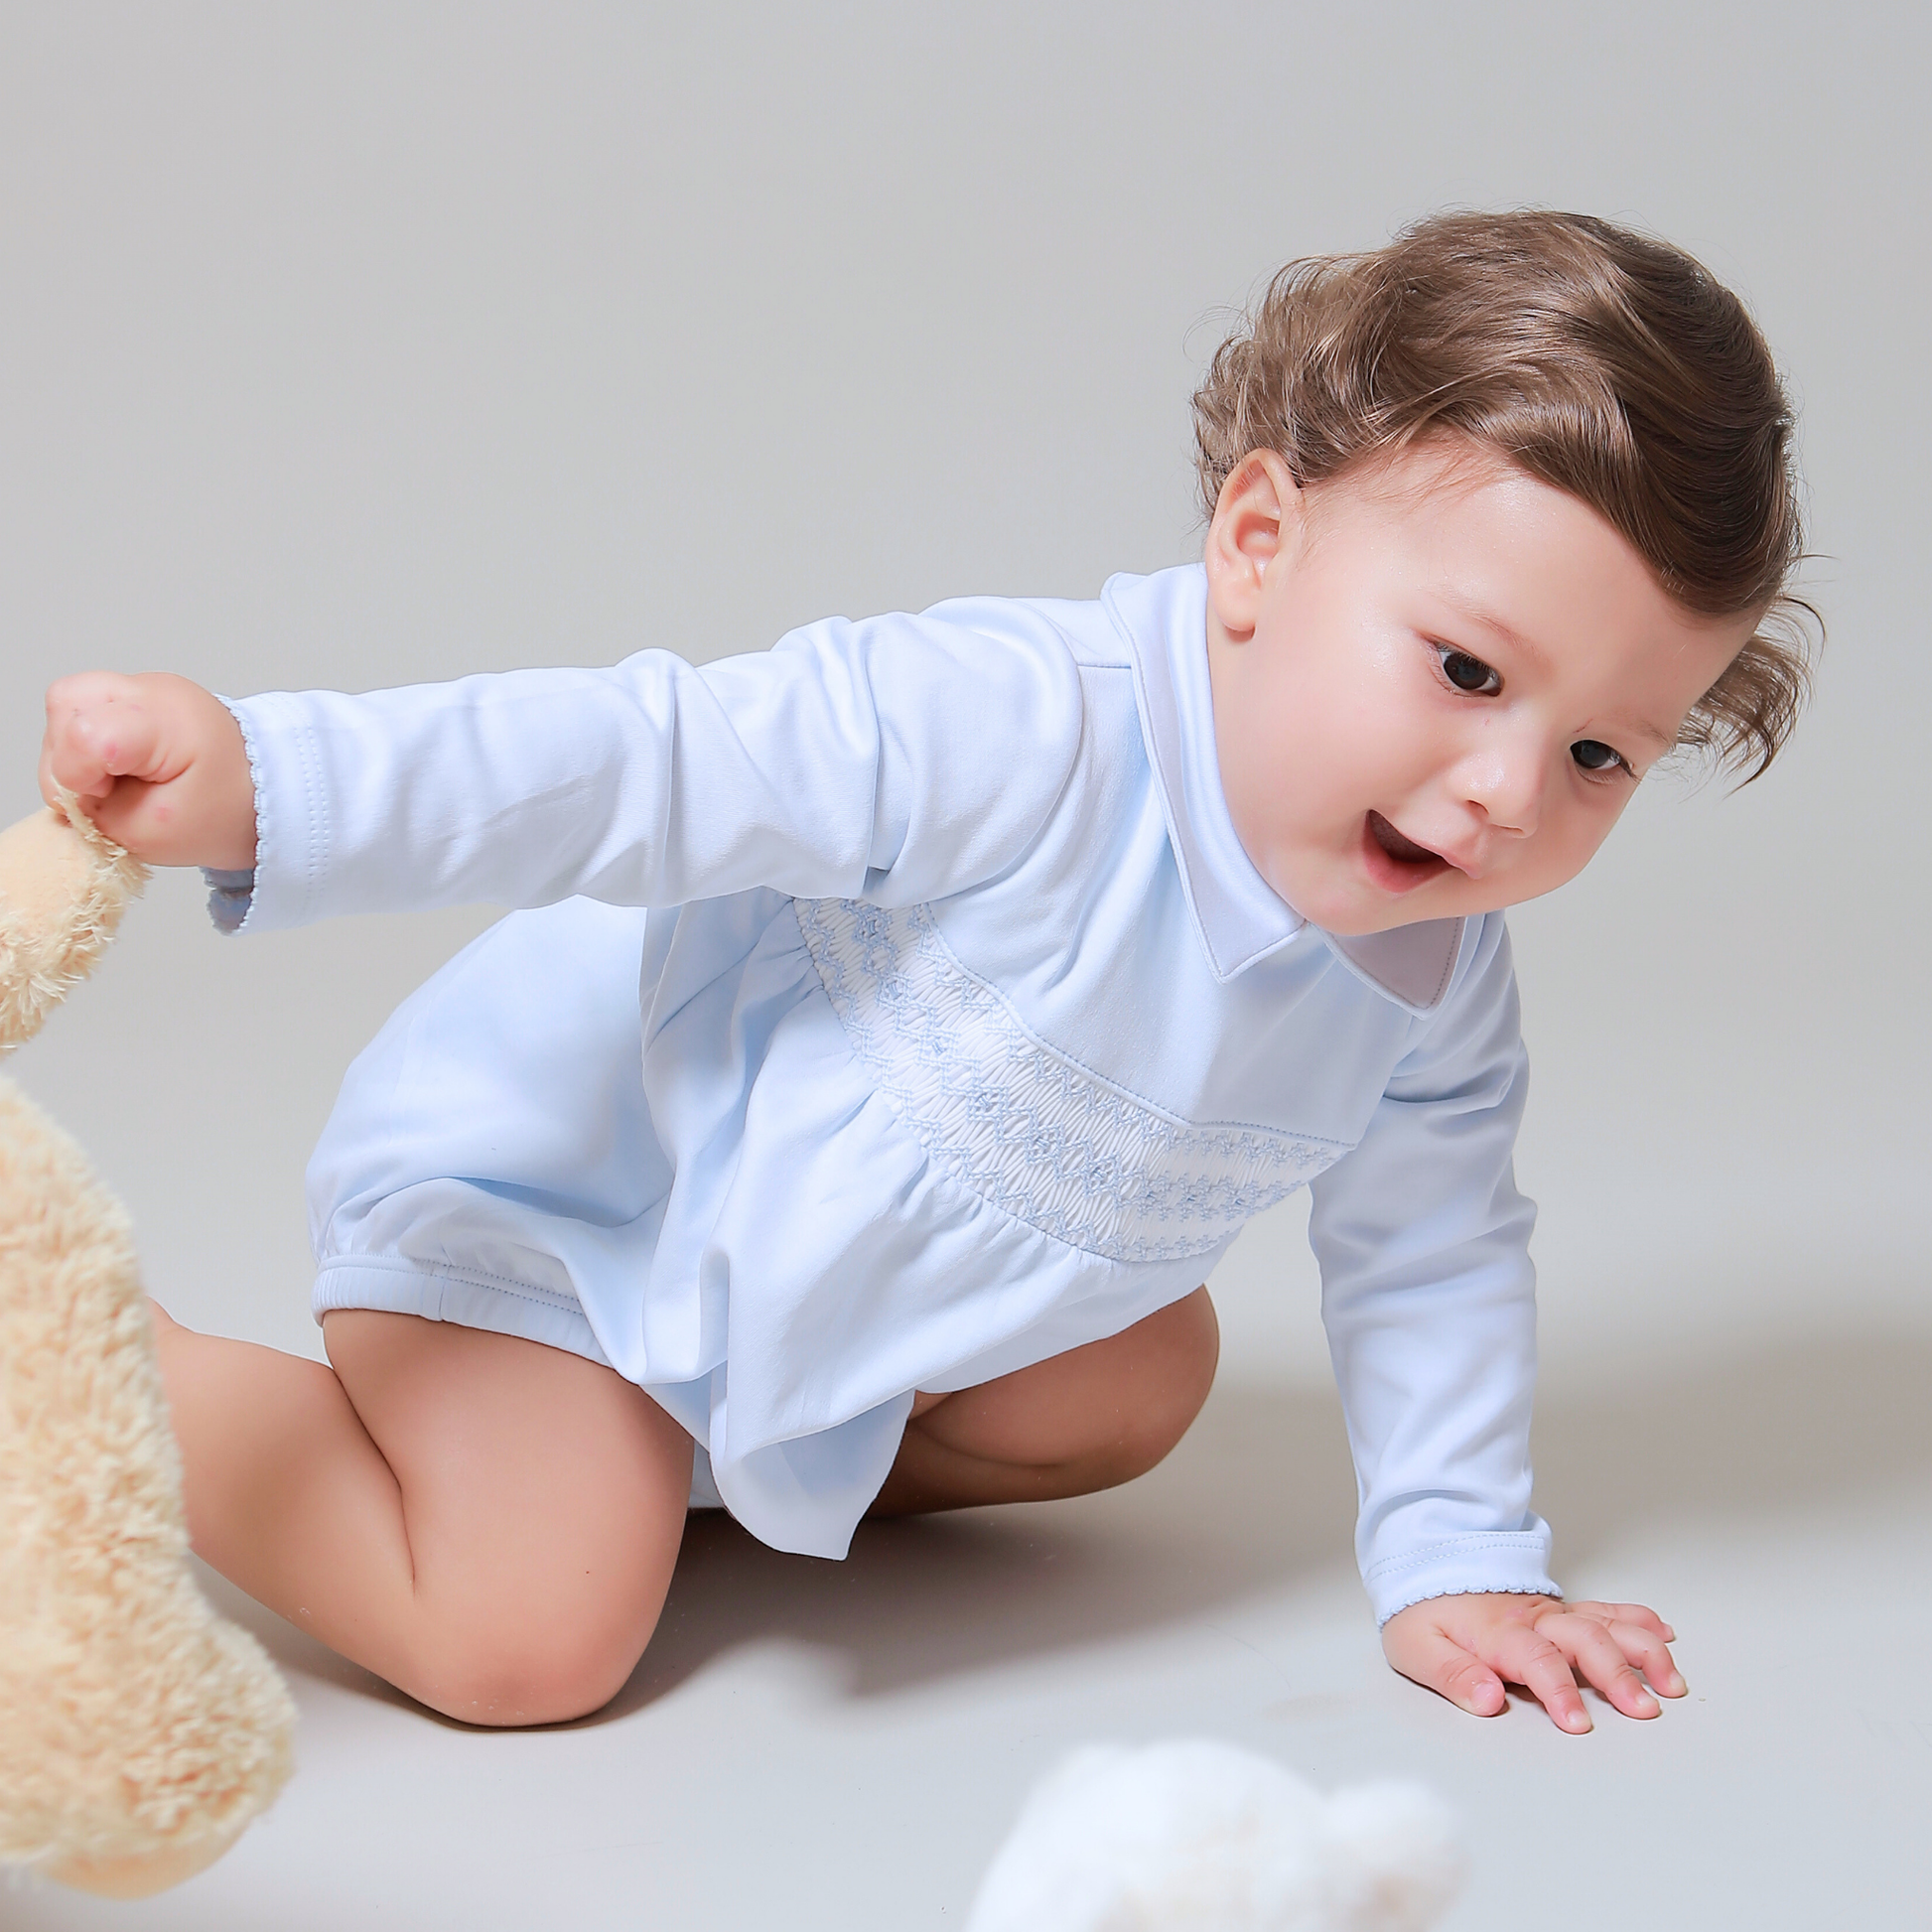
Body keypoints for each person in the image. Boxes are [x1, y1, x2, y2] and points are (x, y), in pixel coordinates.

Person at [38, 210, 1811, 1736]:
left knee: (1137, 1376)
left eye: (1599, 755)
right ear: (1259, 545)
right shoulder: (1024, 725)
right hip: (592, 1206)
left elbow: (1432, 1246)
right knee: (524, 1641)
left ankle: (709, 1457)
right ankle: (81, 1352)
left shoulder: (1431, 971)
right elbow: (643, 758)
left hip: (824, 1285)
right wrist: (278, 780)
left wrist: (1459, 1559)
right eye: (1466, 671)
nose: (1505, 792)